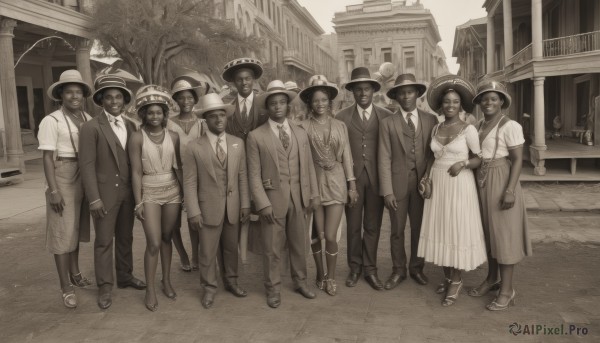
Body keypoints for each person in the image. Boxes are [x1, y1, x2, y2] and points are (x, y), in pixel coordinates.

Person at [247, 80, 320, 308]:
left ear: (288, 105)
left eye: (282, 103)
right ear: (267, 108)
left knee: (299, 244)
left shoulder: (300, 132)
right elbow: (254, 175)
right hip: (272, 200)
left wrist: (314, 194)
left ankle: (301, 282)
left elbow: (308, 166)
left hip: (299, 197)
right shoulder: (256, 136)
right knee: (272, 248)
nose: (278, 107)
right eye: (273, 104)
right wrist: (262, 203)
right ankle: (273, 289)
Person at [417, 74, 487, 306]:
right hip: (439, 184)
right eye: (447, 101)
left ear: (461, 105)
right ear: (441, 104)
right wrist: (426, 178)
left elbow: (479, 159)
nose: (450, 105)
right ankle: (448, 277)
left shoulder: (468, 130)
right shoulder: (436, 127)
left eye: (455, 102)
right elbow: (430, 157)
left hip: (459, 184)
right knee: (442, 229)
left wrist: (464, 163)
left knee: (456, 228)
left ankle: (456, 281)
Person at [79, 75, 146, 310]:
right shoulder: (90, 127)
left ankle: (125, 276)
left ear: (124, 100)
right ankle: (105, 286)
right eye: (108, 97)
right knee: (104, 241)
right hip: (105, 194)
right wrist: (94, 198)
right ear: (101, 100)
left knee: (126, 237)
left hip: (128, 192)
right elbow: (86, 165)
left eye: (118, 97)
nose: (114, 101)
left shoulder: (131, 125)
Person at [468, 80, 532, 311]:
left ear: (502, 101)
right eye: (484, 98)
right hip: (483, 180)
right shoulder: (480, 125)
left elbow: (516, 160)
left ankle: (507, 290)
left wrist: (510, 190)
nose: (488, 102)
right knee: (489, 235)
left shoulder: (510, 125)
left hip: (501, 178)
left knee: (504, 236)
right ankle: (492, 279)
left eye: (493, 98)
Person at [183, 93, 250, 309]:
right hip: (207, 207)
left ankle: (231, 281)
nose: (219, 120)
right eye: (213, 116)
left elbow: (242, 175)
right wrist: (193, 210)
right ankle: (209, 288)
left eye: (222, 115)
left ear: (227, 117)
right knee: (207, 251)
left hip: (233, 206)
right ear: (205, 119)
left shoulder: (237, 143)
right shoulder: (194, 147)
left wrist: (245, 203)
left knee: (231, 248)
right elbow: (190, 182)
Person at [297, 75, 358, 296]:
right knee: (316, 235)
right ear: (309, 103)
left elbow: (348, 156)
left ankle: (331, 276)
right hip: (313, 185)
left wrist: (352, 186)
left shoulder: (340, 125)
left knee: (330, 236)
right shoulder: (301, 127)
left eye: (324, 99)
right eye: (315, 100)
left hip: (337, 182)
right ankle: (320, 273)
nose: (320, 104)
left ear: (329, 101)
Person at [38, 70, 94, 308]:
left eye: (78, 92)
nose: (74, 96)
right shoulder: (52, 120)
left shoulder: (87, 117)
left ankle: (76, 273)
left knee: (76, 228)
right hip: (63, 173)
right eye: (69, 91)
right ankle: (65, 287)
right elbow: (48, 158)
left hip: (85, 173)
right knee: (62, 231)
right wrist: (54, 190)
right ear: (61, 94)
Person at [378, 73, 437, 290]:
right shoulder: (388, 123)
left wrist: (428, 179)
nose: (406, 96)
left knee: (419, 228)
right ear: (396, 97)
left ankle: (417, 268)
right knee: (397, 230)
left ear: (417, 94)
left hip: (421, 185)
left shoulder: (430, 120)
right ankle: (398, 270)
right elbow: (384, 158)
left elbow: (433, 155)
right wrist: (387, 191)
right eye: (401, 93)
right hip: (397, 185)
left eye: (410, 92)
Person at [336, 67, 392, 290]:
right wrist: (347, 181)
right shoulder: (341, 117)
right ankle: (354, 268)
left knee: (372, 225)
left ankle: (370, 269)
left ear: (373, 90)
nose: (362, 93)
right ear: (352, 92)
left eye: (366, 89)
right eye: (357, 89)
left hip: (377, 179)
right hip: (353, 181)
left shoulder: (386, 116)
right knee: (352, 227)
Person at [128, 85, 182, 312]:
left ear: (165, 113)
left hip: (172, 192)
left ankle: (166, 280)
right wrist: (138, 201)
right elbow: (136, 172)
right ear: (143, 114)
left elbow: (178, 167)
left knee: (168, 237)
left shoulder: (174, 136)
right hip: (149, 192)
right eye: (150, 112)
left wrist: (185, 196)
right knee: (154, 242)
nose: (154, 116)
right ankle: (150, 288)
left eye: (159, 112)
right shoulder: (136, 138)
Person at [222, 57, 268, 263]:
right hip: (236, 168)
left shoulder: (265, 106)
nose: (244, 83)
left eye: (248, 78)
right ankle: (240, 255)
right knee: (239, 209)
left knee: (263, 209)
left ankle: (263, 253)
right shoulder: (227, 109)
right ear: (233, 82)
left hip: (262, 167)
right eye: (239, 79)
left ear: (254, 80)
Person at [168, 74, 210, 272]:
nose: (186, 102)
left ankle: (195, 254)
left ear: (195, 99)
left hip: (196, 177)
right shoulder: (168, 122)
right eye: (181, 98)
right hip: (172, 175)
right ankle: (183, 254)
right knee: (172, 220)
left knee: (195, 216)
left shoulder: (202, 122)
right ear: (176, 100)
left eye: (189, 97)